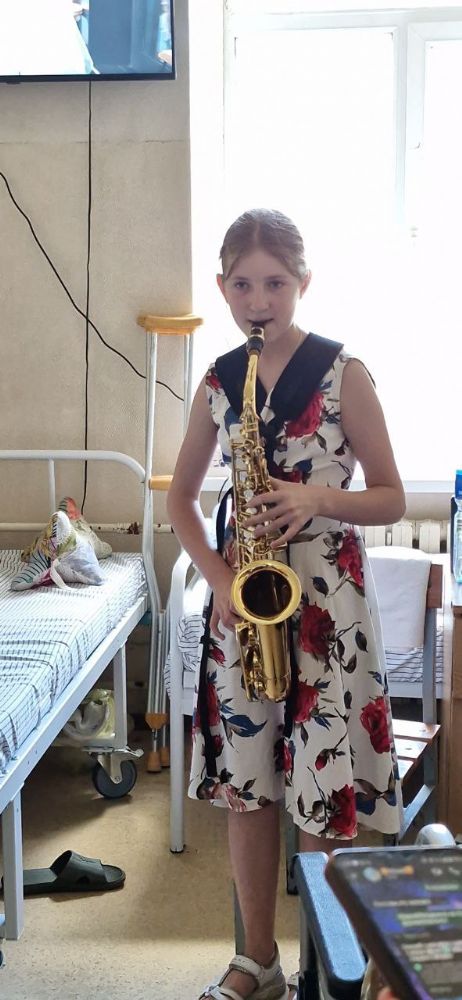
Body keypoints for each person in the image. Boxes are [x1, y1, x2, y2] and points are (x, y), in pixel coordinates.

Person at [167, 208, 406, 1000]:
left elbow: (391, 497)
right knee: (248, 788)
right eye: (242, 285)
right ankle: (257, 961)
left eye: (274, 283)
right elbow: (180, 500)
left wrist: (315, 497)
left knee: (321, 791)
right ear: (222, 288)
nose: (258, 300)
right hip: (247, 608)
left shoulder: (344, 372)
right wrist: (216, 578)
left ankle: (328, 969)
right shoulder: (218, 382)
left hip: (327, 609)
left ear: (303, 282)